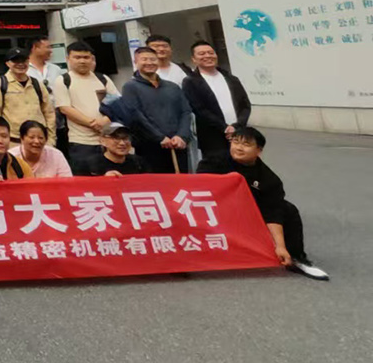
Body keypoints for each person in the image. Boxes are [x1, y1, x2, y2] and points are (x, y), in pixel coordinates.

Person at [198, 127, 328, 279]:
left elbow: (272, 213)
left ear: (258, 151)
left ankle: (295, 258)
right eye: (235, 142)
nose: (239, 148)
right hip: (213, 208)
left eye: (246, 144)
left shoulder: (269, 179)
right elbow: (198, 185)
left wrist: (280, 246)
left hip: (245, 212)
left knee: (288, 209)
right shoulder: (214, 161)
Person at [52, 41, 121, 173]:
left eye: (86, 57)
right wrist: (92, 123)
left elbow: (117, 104)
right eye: (77, 57)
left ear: (92, 58)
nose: (82, 61)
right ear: (68, 59)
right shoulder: (64, 80)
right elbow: (65, 108)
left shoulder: (103, 79)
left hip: (108, 140)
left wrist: (104, 121)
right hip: (81, 142)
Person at [123, 46, 194, 174]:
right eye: (144, 59)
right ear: (136, 62)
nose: (149, 63)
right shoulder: (130, 87)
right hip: (149, 147)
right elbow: (136, 116)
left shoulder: (172, 87)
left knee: (181, 182)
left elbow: (185, 111)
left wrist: (181, 135)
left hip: (177, 144)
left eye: (152, 59)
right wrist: (159, 138)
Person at [184, 40, 252, 162]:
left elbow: (245, 105)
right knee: (219, 170)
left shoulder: (231, 78)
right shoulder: (190, 81)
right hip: (212, 138)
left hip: (239, 134)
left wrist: (237, 126)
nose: (207, 56)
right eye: (202, 54)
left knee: (244, 168)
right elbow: (199, 109)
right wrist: (224, 128)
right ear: (194, 59)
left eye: (210, 53)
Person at [0, 48, 56, 142]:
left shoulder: (37, 84)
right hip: (12, 141)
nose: (20, 64)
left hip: (38, 141)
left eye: (23, 60)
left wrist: (51, 140)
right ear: (7, 63)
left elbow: (49, 113)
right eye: (15, 61)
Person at [74, 122, 148, 177]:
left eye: (125, 138)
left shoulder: (139, 163)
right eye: (116, 138)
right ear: (102, 141)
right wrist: (103, 180)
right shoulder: (89, 165)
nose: (122, 143)